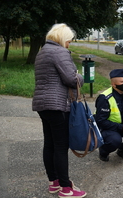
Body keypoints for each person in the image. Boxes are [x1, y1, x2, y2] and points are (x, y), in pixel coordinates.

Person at [32, 23, 87, 197]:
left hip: (42, 105)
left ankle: (54, 183)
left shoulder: (43, 52)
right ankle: (66, 188)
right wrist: (80, 75)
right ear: (63, 39)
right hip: (57, 106)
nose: (69, 44)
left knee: (49, 144)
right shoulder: (60, 52)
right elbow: (72, 79)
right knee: (61, 147)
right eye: (69, 41)